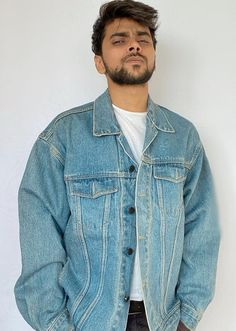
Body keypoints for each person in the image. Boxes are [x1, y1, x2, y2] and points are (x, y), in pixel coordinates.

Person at [14, 1, 220, 330]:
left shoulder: (183, 138)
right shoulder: (64, 137)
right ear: (99, 61)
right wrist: (54, 324)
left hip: (162, 322)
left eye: (143, 38)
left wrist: (187, 317)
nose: (134, 44)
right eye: (119, 40)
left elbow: (202, 230)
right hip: (87, 321)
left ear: (153, 53)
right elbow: (39, 236)